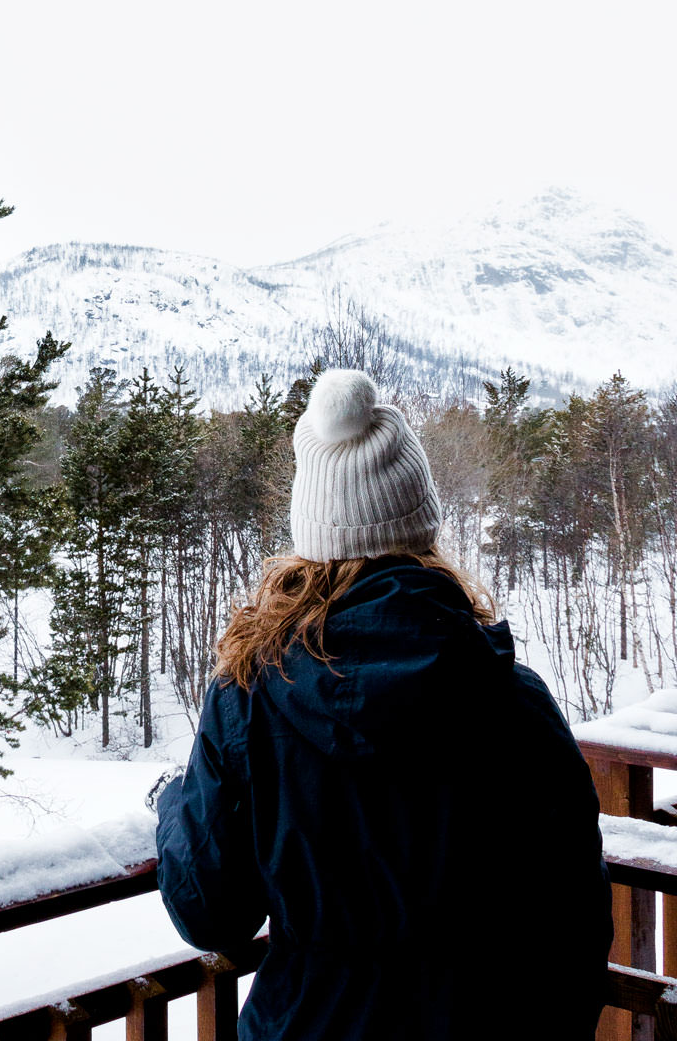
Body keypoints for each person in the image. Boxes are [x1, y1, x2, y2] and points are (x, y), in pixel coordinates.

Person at [154, 369, 612, 1040]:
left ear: (312, 536)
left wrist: (173, 803)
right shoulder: (513, 700)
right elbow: (573, 922)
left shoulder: (250, 695)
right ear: (421, 525)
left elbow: (209, 913)